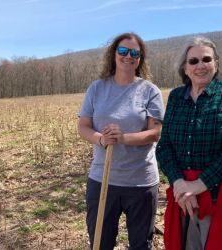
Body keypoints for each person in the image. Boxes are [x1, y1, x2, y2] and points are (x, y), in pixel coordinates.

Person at [156, 36, 222, 250]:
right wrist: (180, 184)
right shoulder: (176, 96)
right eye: (193, 61)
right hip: (182, 195)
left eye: (206, 59)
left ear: (216, 64)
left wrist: (198, 186)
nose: (200, 65)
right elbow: (164, 147)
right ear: (185, 68)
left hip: (219, 192)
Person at [78, 32, 164, 250]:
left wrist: (122, 138)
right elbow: (83, 126)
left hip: (141, 182)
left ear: (140, 57)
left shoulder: (150, 91)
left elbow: (155, 133)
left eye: (134, 52)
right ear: (113, 54)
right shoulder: (97, 88)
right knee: (100, 243)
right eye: (123, 51)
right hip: (102, 180)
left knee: (140, 245)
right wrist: (101, 139)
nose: (128, 56)